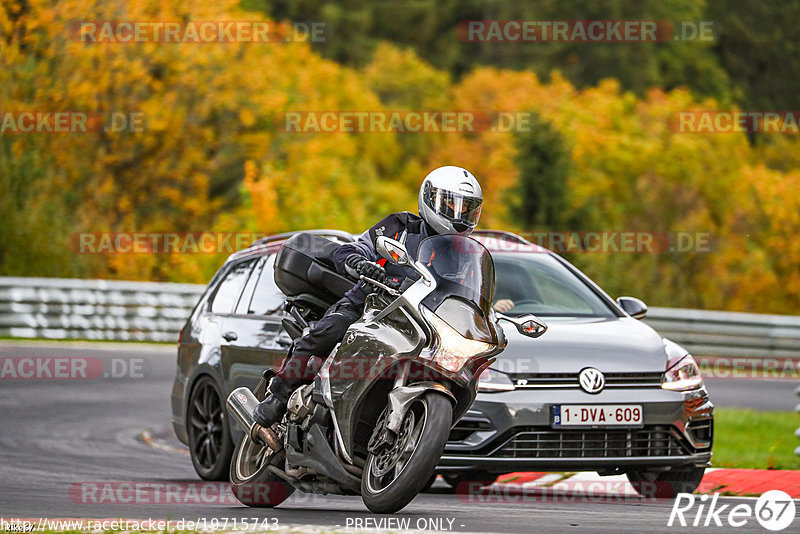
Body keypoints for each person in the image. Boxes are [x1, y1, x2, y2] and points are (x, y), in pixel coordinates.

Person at [253, 166, 484, 428]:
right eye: (451, 205)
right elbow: (359, 246)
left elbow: (469, 295)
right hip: (370, 304)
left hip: (420, 323)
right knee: (329, 331)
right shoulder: (401, 226)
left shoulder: (466, 255)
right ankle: (278, 396)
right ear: (429, 198)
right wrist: (357, 261)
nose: (459, 215)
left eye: (467, 208)